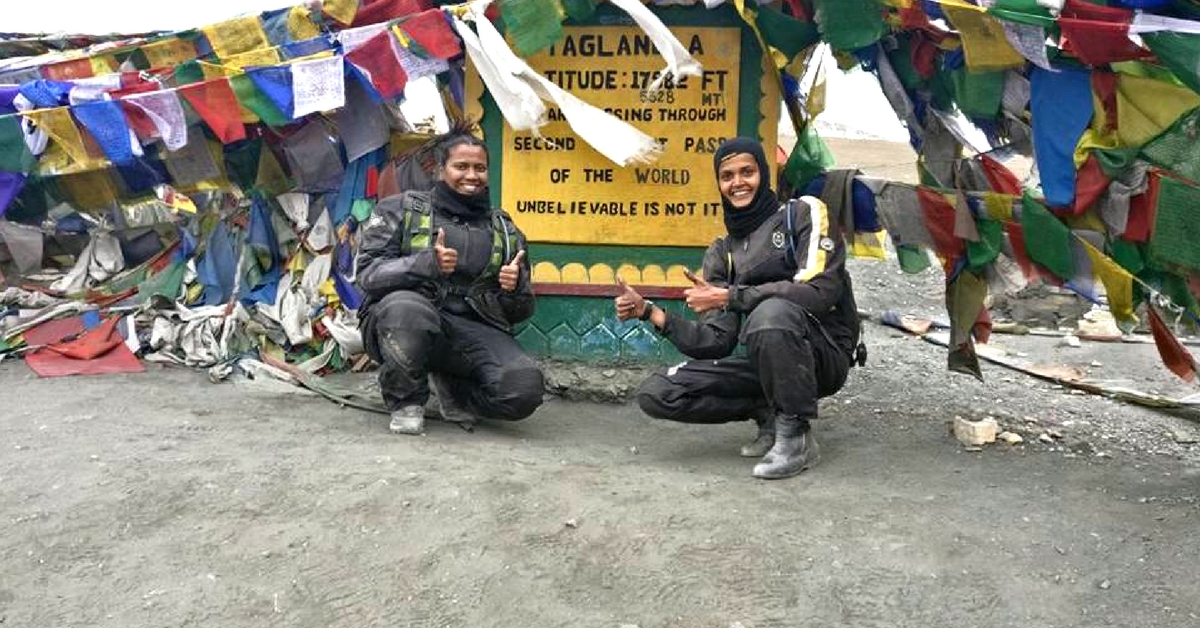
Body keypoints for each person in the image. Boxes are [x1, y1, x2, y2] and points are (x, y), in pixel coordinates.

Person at [614, 137, 861, 479]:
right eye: (727, 175)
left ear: (764, 174)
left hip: (822, 354)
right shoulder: (722, 251)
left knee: (771, 313)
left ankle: (796, 435)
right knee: (658, 393)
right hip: (764, 360)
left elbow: (821, 291)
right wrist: (650, 313)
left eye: (748, 171)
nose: (737, 183)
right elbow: (717, 341)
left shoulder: (803, 213)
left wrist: (731, 296)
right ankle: (769, 414)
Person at [355, 124, 544, 435]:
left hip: (469, 329)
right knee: (407, 310)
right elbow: (368, 274)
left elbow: (520, 312)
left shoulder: (505, 230)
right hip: (403, 321)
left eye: (479, 168)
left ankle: (454, 390)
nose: (472, 175)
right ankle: (406, 400)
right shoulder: (400, 210)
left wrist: (514, 288)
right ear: (441, 169)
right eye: (461, 166)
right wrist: (425, 263)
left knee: (523, 392)